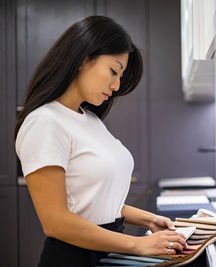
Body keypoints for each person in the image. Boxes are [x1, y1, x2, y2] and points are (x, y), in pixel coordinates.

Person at [14, 15, 186, 267]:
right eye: (113, 71)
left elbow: (93, 202)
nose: (116, 85)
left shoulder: (91, 120)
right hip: (75, 258)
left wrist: (148, 219)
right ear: (84, 59)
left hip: (107, 252)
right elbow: (55, 221)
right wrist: (138, 244)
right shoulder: (44, 122)